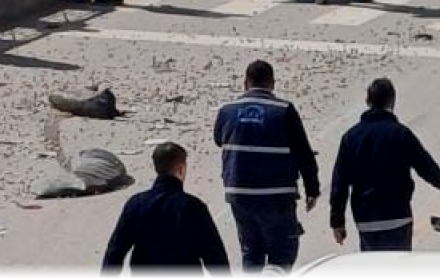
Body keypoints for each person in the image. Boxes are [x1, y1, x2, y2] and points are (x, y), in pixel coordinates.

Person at [213, 60, 321, 273]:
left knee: (251, 251)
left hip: (239, 194)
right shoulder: (284, 110)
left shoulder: (227, 110)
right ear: (272, 83)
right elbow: (303, 153)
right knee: (282, 253)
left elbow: (218, 139)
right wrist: (312, 188)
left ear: (245, 83)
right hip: (277, 195)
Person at [330, 78, 440, 253]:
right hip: (398, 217)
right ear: (392, 101)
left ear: (367, 101)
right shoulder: (400, 133)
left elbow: (339, 183)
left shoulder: (351, 137)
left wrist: (337, 221)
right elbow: (423, 163)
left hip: (366, 220)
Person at [101, 142, 230, 273]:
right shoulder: (194, 206)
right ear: (181, 169)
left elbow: (115, 251)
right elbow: (214, 255)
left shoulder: (136, 204)